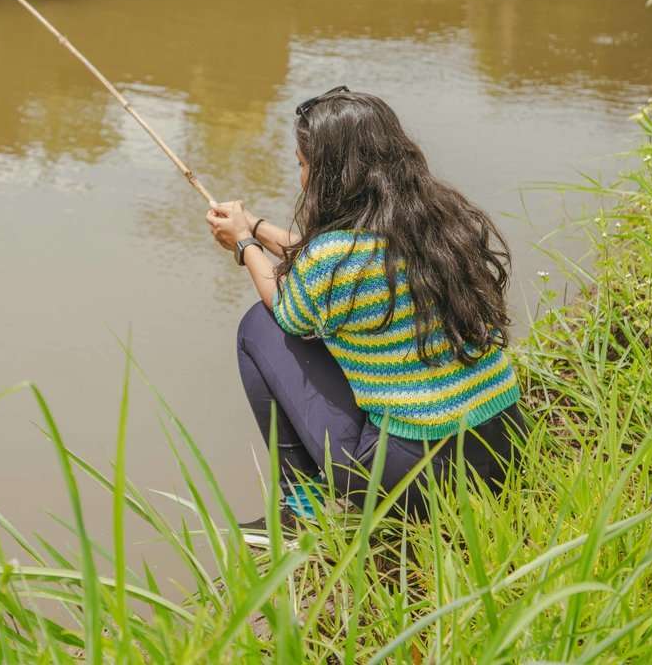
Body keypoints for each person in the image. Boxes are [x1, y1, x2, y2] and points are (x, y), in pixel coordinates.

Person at [206, 86, 526, 529]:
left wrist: (243, 245)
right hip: (503, 450)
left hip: (419, 482)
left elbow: (287, 308)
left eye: (303, 165)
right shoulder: (441, 223)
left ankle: (300, 508)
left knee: (259, 327)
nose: (301, 177)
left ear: (333, 175)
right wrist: (256, 227)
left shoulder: (336, 259)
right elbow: (323, 263)